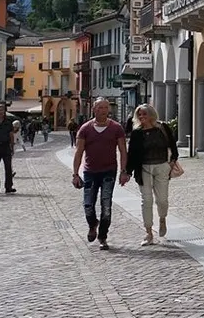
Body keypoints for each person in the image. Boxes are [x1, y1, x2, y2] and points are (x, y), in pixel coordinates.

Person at [72, 98, 128, 250]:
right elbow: (78, 152)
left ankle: (103, 236)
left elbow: (123, 150)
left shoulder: (116, 128)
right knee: (88, 204)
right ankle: (92, 224)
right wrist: (75, 174)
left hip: (108, 171)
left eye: (105, 107)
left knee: (106, 205)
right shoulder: (85, 129)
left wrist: (124, 171)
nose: (103, 110)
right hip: (90, 172)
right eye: (100, 107)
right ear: (94, 110)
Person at [127, 103, 179, 246]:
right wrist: (127, 172)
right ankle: (148, 232)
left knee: (162, 200)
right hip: (144, 169)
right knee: (147, 200)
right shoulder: (137, 132)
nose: (142, 117)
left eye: (144, 114)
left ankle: (162, 218)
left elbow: (173, 145)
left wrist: (172, 161)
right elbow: (131, 154)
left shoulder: (163, 127)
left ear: (151, 115)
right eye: (140, 114)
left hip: (162, 166)